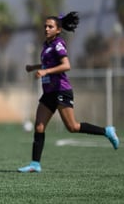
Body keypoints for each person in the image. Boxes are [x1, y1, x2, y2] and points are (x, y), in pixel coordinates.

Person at [18, 11, 120, 173]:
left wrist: (45, 72)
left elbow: (66, 65)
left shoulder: (58, 44)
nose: (46, 29)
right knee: (39, 126)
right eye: (45, 26)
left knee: (72, 126)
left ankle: (107, 131)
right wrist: (35, 67)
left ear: (58, 29)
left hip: (61, 90)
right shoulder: (47, 45)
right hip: (49, 92)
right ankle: (35, 164)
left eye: (50, 26)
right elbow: (48, 63)